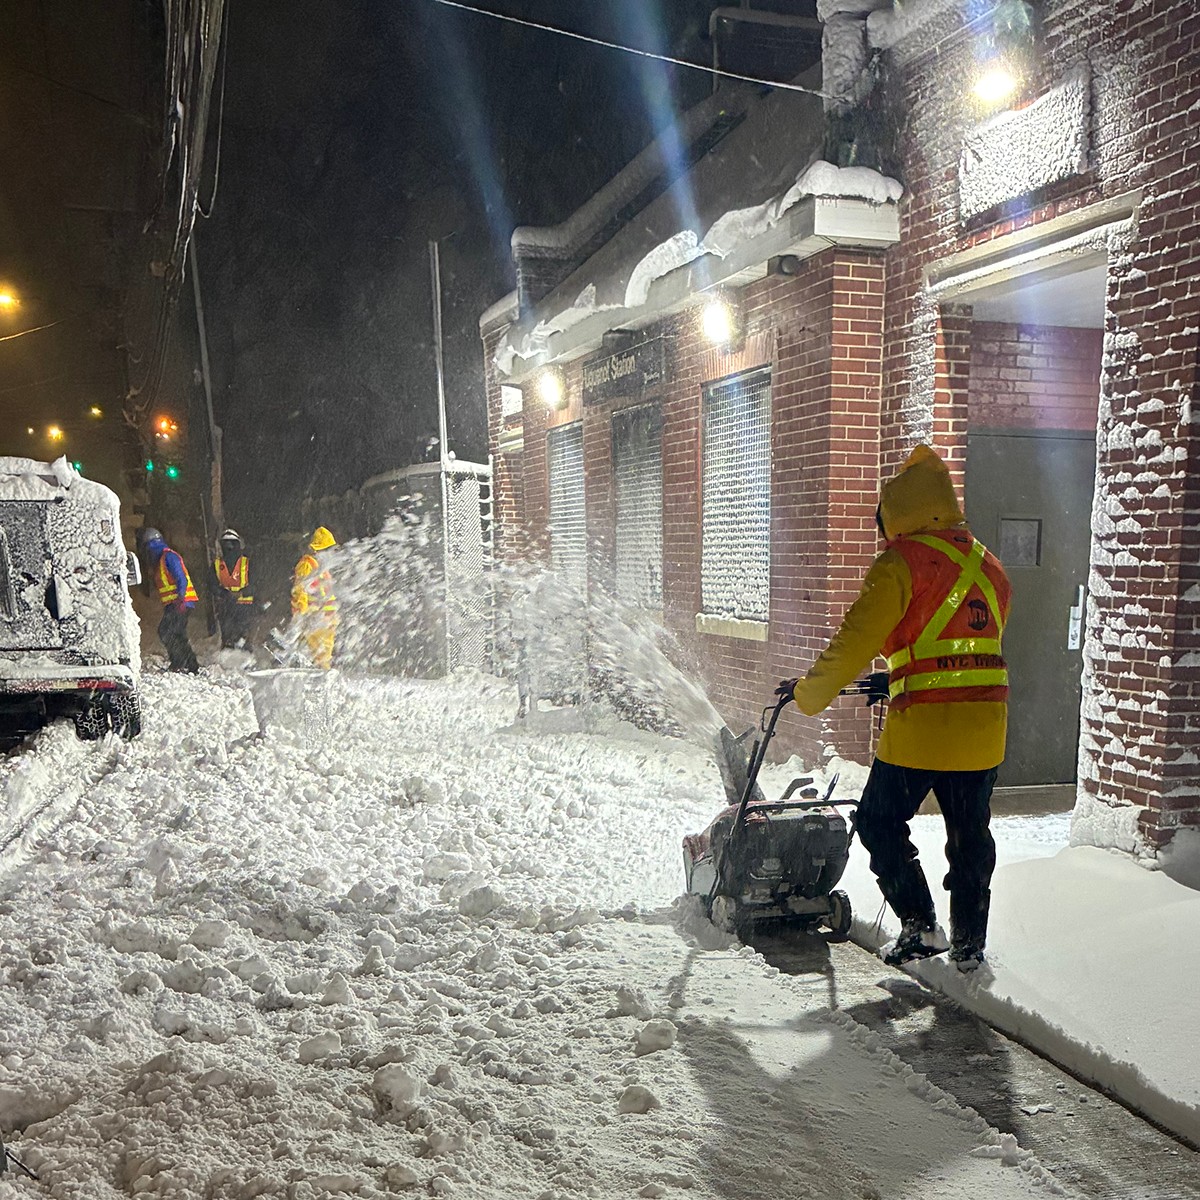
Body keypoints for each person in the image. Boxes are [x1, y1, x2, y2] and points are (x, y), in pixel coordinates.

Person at [778, 445, 1012, 970]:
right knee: (970, 837)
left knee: (880, 823)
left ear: (897, 511)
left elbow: (854, 640)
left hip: (925, 731)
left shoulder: (902, 562)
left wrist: (810, 693)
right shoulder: (987, 562)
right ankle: (970, 946)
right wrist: (901, 670)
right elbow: (966, 642)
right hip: (985, 730)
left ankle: (921, 925)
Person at [142, 527, 200, 674]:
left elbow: (180, 577)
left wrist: (181, 599)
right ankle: (190, 664)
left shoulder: (168, 557)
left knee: (167, 631)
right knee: (177, 633)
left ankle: (180, 662)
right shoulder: (162, 559)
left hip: (181, 602)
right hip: (175, 603)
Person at [292, 526, 339, 669]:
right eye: (327, 549)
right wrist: (302, 614)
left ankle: (322, 681)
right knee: (318, 657)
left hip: (325, 620)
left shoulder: (322, 567)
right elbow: (300, 591)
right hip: (315, 618)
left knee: (324, 658)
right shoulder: (307, 564)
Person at [212, 528, 255, 649]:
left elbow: (256, 583)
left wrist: (242, 593)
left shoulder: (248, 563)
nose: (229, 547)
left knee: (242, 635)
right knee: (227, 635)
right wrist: (224, 594)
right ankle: (228, 662)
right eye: (226, 544)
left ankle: (246, 660)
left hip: (244, 606)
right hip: (226, 606)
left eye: (232, 543)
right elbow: (211, 584)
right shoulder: (216, 565)